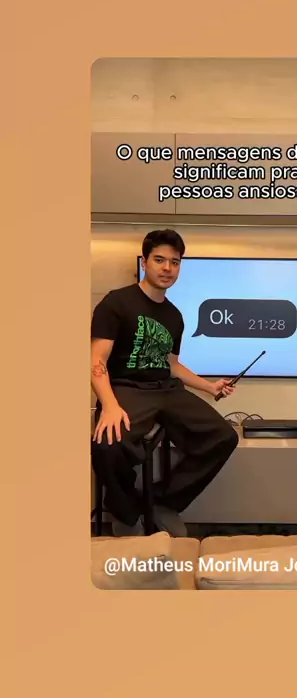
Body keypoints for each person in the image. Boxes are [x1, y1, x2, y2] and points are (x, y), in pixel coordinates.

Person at [90, 228, 239, 537]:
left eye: (175, 262)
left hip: (167, 391)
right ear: (145, 262)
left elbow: (171, 365)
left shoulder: (174, 316)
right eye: (159, 260)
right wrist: (109, 406)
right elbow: (97, 362)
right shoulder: (116, 302)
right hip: (126, 388)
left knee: (223, 437)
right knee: (107, 445)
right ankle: (125, 512)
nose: (167, 268)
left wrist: (210, 386)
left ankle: (162, 502)